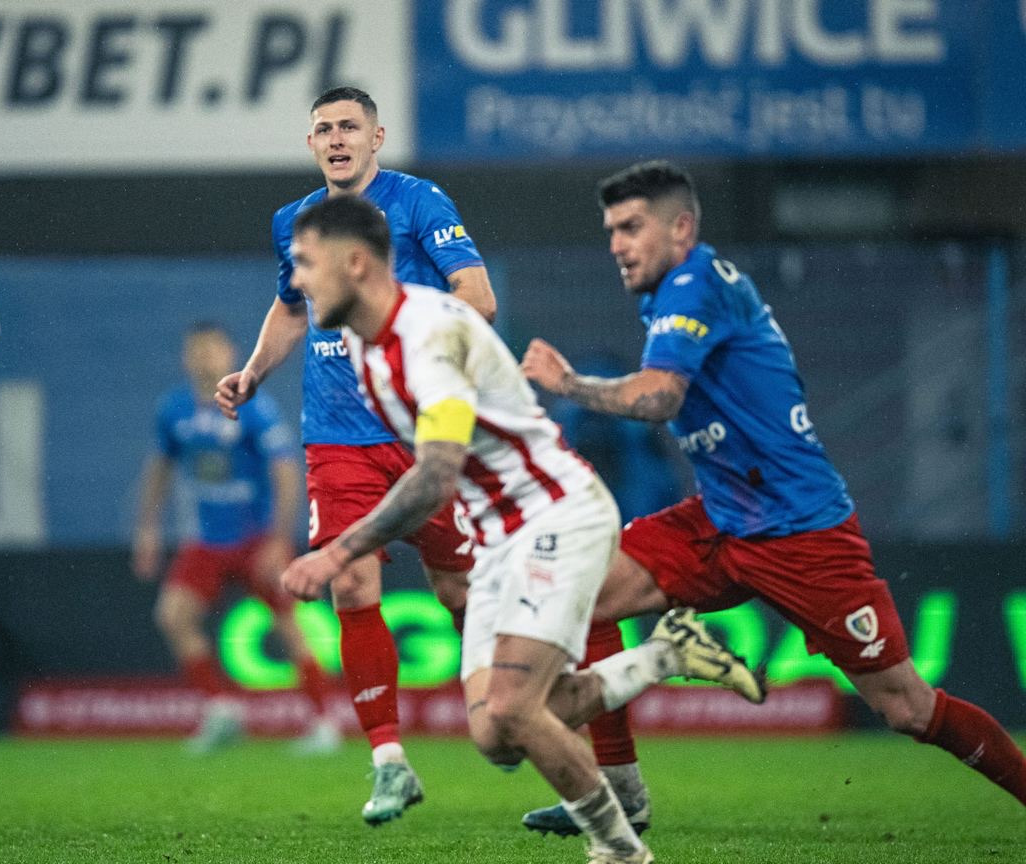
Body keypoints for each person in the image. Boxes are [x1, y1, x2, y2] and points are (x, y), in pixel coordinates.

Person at [519, 160, 1026, 833]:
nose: (617, 244)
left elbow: (660, 397)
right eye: (611, 229)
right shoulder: (673, 291)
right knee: (582, 593)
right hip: (722, 517)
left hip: (800, 532)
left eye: (632, 227)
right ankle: (620, 795)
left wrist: (569, 384)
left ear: (682, 228)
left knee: (906, 707)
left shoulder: (694, 286)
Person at [277, 195, 765, 864]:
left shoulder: (428, 335)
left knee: (513, 710)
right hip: (499, 537)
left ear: (356, 263)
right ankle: (665, 656)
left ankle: (620, 850)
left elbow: (436, 475)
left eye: (307, 263)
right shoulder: (364, 348)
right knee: (494, 735)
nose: (298, 280)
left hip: (555, 513)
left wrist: (340, 551)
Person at [214, 85, 634, 826]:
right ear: (310, 144)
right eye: (323, 129)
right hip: (337, 437)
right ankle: (389, 761)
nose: (336, 139)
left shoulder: (417, 202)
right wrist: (253, 372)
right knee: (350, 584)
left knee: (462, 592)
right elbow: (290, 306)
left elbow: (480, 297)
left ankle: (547, 726)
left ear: (376, 139)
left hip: (425, 434)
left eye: (350, 127)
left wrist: (403, 342)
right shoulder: (294, 223)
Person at [132, 322, 339, 754]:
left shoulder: (253, 407)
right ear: (185, 358)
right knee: (172, 616)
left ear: (230, 354)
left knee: (288, 625)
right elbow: (160, 467)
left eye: (211, 349)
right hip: (207, 539)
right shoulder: (174, 410)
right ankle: (222, 709)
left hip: (255, 538)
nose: (203, 358)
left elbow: (285, 472)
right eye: (195, 350)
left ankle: (323, 721)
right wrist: (147, 528)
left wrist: (278, 540)